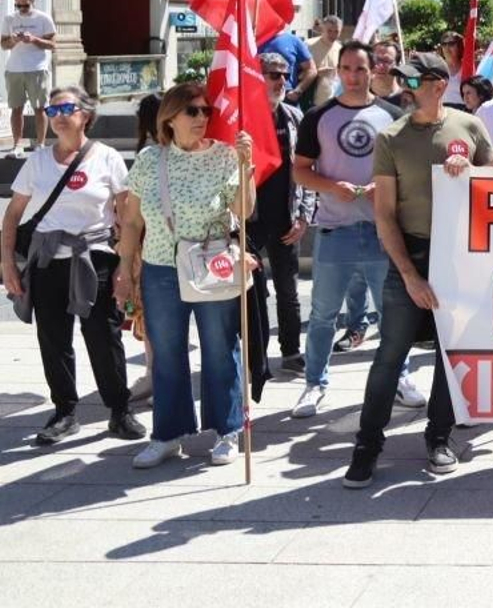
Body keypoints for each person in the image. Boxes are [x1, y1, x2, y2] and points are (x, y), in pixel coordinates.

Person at [342, 52, 493, 488]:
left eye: (416, 80)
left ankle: (440, 437)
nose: (407, 87)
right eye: (404, 80)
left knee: (450, 355)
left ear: (438, 83)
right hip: (411, 253)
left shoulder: (469, 125)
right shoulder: (390, 137)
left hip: (459, 256)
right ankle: (367, 445)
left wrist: (469, 172)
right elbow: (385, 213)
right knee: (390, 355)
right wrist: (409, 274)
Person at [115, 83, 254, 468]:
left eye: (206, 111)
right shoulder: (149, 160)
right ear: (170, 118)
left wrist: (247, 169)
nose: (202, 118)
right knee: (167, 353)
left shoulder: (226, 156)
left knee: (219, 347)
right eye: (192, 111)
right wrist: (125, 269)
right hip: (161, 267)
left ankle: (227, 431)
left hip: (211, 264)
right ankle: (168, 434)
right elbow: (131, 222)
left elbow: (243, 212)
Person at [2, 87, 144, 445]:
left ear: (86, 115)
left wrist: (127, 265)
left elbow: (128, 215)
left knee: (103, 336)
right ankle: (64, 411)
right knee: (53, 338)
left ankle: (119, 410)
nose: (59, 115)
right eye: (53, 109)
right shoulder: (38, 161)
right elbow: (13, 214)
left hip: (94, 257)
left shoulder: (107, 157)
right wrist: (7, 263)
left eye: (68, 107)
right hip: (48, 260)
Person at [289, 42, 416, 419]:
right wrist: (332, 187)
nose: (354, 76)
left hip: (384, 231)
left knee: (392, 314)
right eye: (346, 69)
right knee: (324, 315)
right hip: (334, 230)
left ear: (373, 70)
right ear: (338, 72)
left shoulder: (393, 115)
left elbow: (407, 169)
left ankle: (401, 378)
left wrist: (387, 187)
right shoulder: (318, 117)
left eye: (361, 69)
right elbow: (299, 170)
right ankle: (315, 384)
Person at [249, 53, 316, 375]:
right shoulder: (242, 118)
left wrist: (304, 216)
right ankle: (255, 356)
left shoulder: (293, 117)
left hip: (286, 218)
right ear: (256, 76)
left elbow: (309, 170)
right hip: (249, 219)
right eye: (274, 75)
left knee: (288, 292)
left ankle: (291, 352)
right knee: (253, 292)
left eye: (285, 75)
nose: (281, 82)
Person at [3, 0, 55, 156]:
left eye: (25, 5)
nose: (21, 9)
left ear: (33, 2)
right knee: (16, 108)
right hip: (14, 69)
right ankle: (17, 145)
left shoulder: (43, 19)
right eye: (18, 6)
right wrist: (14, 40)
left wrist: (33, 39)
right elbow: (3, 45)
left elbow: (53, 45)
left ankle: (40, 144)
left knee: (39, 107)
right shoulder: (9, 19)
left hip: (37, 68)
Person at [259, 28, 316, 105]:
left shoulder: (293, 40)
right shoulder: (253, 40)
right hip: (259, 94)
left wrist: (298, 91)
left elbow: (311, 69)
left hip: (287, 95)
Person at [370, 40, 405, 107]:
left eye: (386, 61)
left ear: (397, 66)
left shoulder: (407, 100)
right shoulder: (358, 99)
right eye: (375, 59)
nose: (380, 65)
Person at [436, 32, 467, 106]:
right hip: (443, 111)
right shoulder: (436, 68)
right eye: (444, 44)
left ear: (459, 46)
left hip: (463, 111)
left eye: (451, 44)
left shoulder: (467, 68)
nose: (447, 48)